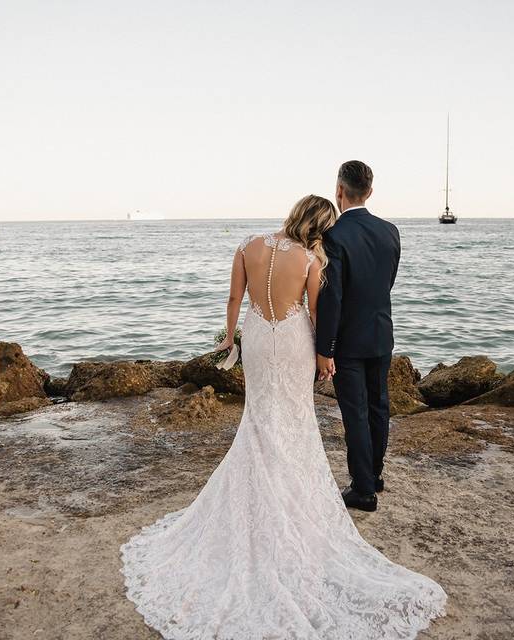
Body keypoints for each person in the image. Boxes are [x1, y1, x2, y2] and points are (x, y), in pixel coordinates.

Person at [120, 192, 446, 639]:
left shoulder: (247, 246)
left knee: (258, 415)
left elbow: (234, 297)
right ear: (317, 225)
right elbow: (315, 313)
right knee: (295, 418)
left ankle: (258, 488)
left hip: (256, 336)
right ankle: (292, 495)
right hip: (292, 341)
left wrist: (230, 341)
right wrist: (324, 357)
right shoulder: (312, 262)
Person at [316, 160, 401, 513]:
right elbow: (387, 283)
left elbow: (332, 296)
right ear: (369, 191)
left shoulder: (333, 236)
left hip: (348, 341)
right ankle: (375, 474)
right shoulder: (391, 231)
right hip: (382, 333)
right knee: (379, 406)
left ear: (339, 190)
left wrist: (325, 348)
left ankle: (364, 490)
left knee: (355, 413)